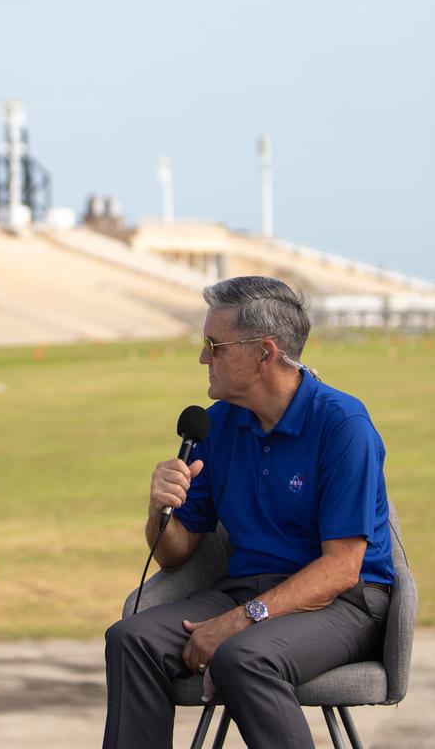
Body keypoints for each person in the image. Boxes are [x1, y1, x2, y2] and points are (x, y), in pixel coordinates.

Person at [103, 276, 394, 749]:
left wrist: (242, 621)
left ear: (265, 352)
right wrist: (159, 509)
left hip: (345, 603)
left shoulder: (343, 425)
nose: (203, 358)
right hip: (244, 590)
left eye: (213, 346)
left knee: (244, 657)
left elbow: (342, 569)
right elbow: (176, 555)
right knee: (129, 639)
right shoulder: (218, 424)